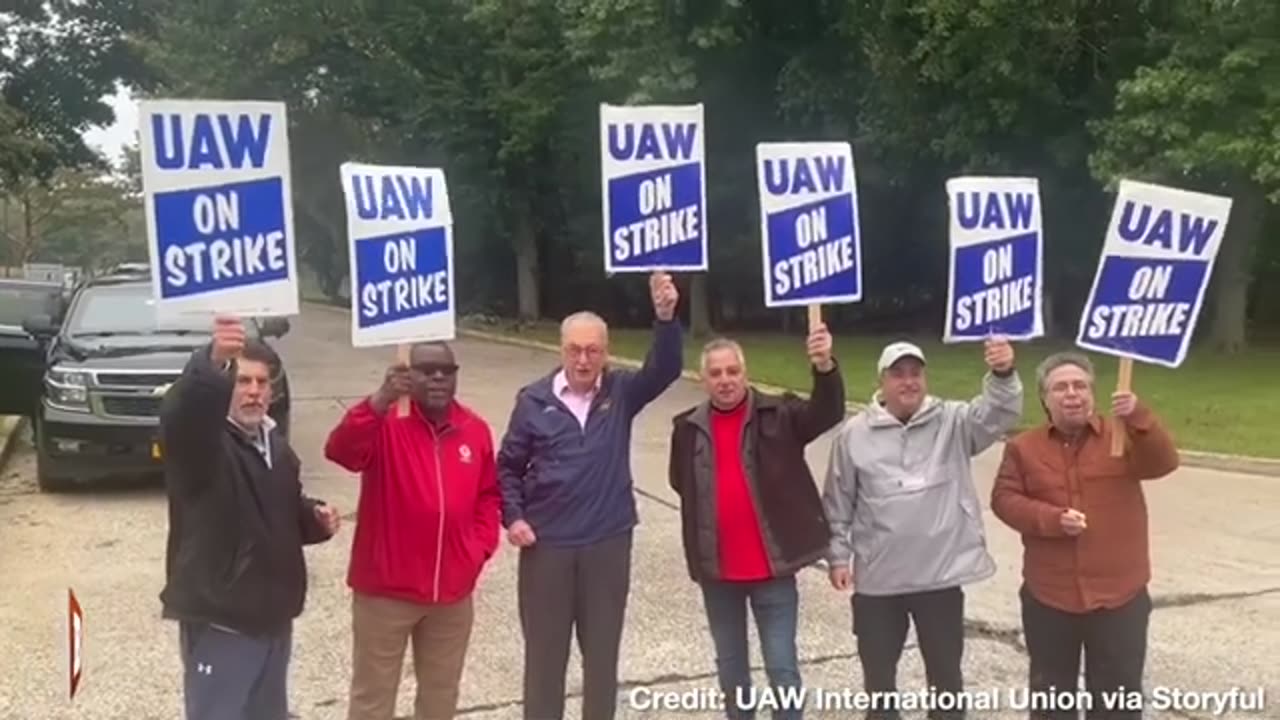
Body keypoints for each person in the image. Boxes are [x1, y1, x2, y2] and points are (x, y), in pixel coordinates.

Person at [498, 271, 683, 720]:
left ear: (605, 350)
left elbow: (666, 369)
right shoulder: (532, 400)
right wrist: (514, 516)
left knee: (602, 657)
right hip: (548, 546)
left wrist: (664, 317)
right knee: (544, 659)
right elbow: (506, 467)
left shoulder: (621, 392)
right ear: (562, 350)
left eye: (593, 350)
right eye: (575, 350)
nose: (583, 360)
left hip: (607, 542)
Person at [822, 337, 1023, 720]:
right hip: (879, 582)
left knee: (946, 681)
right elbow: (838, 500)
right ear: (882, 381)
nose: (909, 382)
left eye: (916, 373)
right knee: (879, 684)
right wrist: (837, 556)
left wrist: (1002, 372)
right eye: (898, 374)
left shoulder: (953, 422)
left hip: (940, 579)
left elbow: (999, 414)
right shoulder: (854, 435)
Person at [159, 315, 340, 720]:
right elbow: (182, 413)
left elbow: (283, 509)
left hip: (273, 621)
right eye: (243, 381)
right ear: (224, 385)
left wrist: (314, 518)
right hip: (223, 623)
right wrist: (212, 362)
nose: (255, 391)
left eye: (262, 382)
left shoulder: (276, 446)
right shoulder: (201, 448)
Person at [668, 325, 846, 720]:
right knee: (731, 671)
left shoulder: (779, 414)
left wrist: (824, 367)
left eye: (732, 371)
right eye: (716, 373)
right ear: (703, 380)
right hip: (718, 573)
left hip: (773, 570)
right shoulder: (686, 429)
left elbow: (827, 411)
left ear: (744, 374)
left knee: (782, 669)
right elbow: (681, 482)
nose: (725, 380)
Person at [990, 352, 1179, 720]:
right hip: (1050, 598)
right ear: (1044, 398)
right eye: (1061, 387)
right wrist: (1051, 519)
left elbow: (1164, 462)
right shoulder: (1023, 448)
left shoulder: (1121, 436)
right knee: (1051, 700)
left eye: (1080, 386)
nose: (1072, 394)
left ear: (1093, 394)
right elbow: (1003, 500)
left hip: (1119, 598)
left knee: (1117, 703)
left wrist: (1138, 416)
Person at [323, 341, 501, 720]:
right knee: (373, 697)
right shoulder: (384, 423)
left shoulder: (475, 429)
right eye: (425, 369)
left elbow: (488, 496)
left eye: (446, 371)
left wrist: (478, 549)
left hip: (452, 595)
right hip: (386, 594)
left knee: (441, 696)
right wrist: (379, 400)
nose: (438, 377)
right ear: (408, 374)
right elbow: (341, 451)